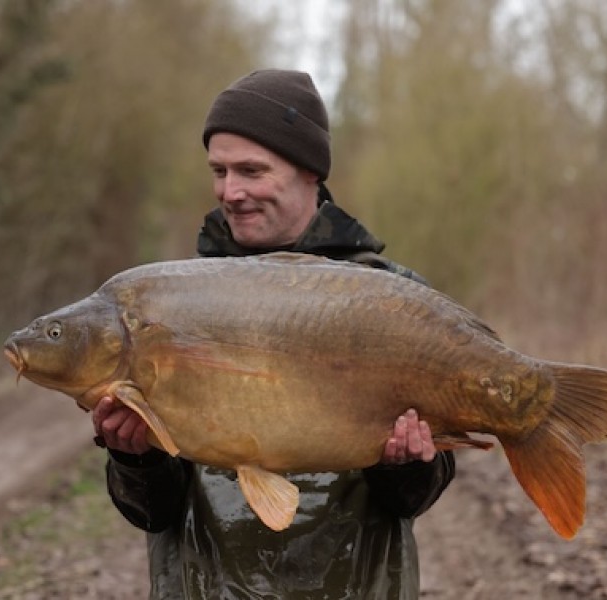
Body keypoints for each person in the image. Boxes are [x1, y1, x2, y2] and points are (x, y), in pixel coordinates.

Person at [91, 69, 455, 599]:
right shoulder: (170, 303)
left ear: (309, 172)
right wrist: (134, 457)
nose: (230, 192)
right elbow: (154, 513)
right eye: (219, 171)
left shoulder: (392, 297)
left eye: (251, 170)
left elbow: (414, 501)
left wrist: (404, 466)